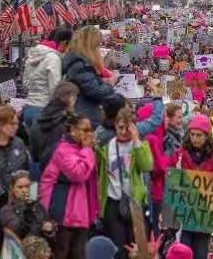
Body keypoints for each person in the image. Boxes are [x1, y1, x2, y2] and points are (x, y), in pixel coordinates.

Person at [96, 107, 153, 259]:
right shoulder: (107, 147)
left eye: (127, 128)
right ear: (115, 126)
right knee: (119, 248)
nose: (122, 132)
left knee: (137, 248)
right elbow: (99, 171)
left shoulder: (140, 145)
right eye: (120, 127)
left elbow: (147, 165)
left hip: (135, 202)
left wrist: (136, 140)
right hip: (114, 201)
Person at [39, 113, 97, 259]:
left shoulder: (80, 149)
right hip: (62, 214)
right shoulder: (62, 150)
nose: (89, 134)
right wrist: (88, 150)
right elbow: (78, 174)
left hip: (79, 214)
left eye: (90, 130)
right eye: (85, 130)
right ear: (72, 130)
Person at [170, 113, 213, 259]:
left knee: (201, 254)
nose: (194, 139)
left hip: (204, 217)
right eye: (192, 134)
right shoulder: (180, 155)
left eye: (199, 135)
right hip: (183, 215)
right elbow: (171, 181)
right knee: (182, 252)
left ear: (207, 136)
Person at [137, 102, 183, 238]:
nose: (165, 119)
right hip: (156, 193)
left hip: (160, 191)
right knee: (159, 234)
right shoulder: (152, 139)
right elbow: (158, 168)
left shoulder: (157, 137)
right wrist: (176, 157)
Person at [63, 26, 122, 127]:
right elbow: (95, 92)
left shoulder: (79, 62)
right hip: (86, 115)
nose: (98, 50)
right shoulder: (79, 64)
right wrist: (110, 84)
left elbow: (88, 85)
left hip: (86, 113)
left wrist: (103, 82)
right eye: (97, 45)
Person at [22, 27, 73, 128]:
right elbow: (55, 89)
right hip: (44, 110)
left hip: (29, 108)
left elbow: (25, 84)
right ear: (64, 43)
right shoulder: (53, 59)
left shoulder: (32, 55)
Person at [29, 81, 79, 172]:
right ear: (71, 98)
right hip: (63, 172)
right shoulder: (69, 121)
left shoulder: (38, 118)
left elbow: (33, 150)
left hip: (42, 167)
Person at [0, 170, 55, 240]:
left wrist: (49, 229)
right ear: (12, 188)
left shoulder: (38, 206)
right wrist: (28, 209)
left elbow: (49, 227)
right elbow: (17, 232)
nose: (24, 190)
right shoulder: (6, 210)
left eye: (27, 186)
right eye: (20, 187)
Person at [0, 105, 29, 207]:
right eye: (12, 124)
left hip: (17, 202)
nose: (16, 127)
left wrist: (32, 198)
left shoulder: (19, 143)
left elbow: (27, 170)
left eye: (17, 124)